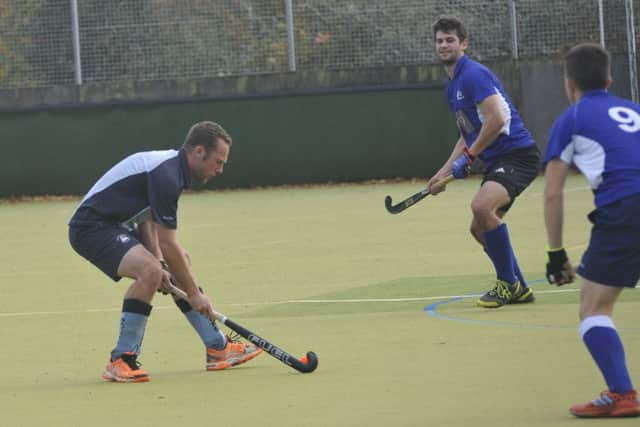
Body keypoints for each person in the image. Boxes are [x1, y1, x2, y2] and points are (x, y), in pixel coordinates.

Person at [68, 121, 262, 383]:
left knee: (173, 265)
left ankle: (217, 348)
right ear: (199, 152)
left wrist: (160, 261)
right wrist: (194, 294)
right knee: (150, 271)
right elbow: (168, 243)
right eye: (218, 162)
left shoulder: (173, 170)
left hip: (120, 226)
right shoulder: (168, 174)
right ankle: (120, 360)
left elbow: (146, 219)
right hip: (91, 228)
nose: (220, 170)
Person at [543, 43, 640, 417]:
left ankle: (622, 394)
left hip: (624, 209)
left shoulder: (573, 118)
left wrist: (556, 254)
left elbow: (552, 193)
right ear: (610, 80)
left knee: (593, 308)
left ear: (569, 85)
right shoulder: (633, 110)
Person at [427, 17, 540, 308]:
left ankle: (506, 285)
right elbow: (468, 134)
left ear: (463, 43)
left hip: (517, 155)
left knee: (481, 206)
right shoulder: (452, 87)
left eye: (450, 39)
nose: (444, 45)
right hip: (497, 160)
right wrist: (442, 172)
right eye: (440, 40)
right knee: (479, 229)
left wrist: (470, 157)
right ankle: (520, 287)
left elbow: (497, 120)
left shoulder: (473, 75)